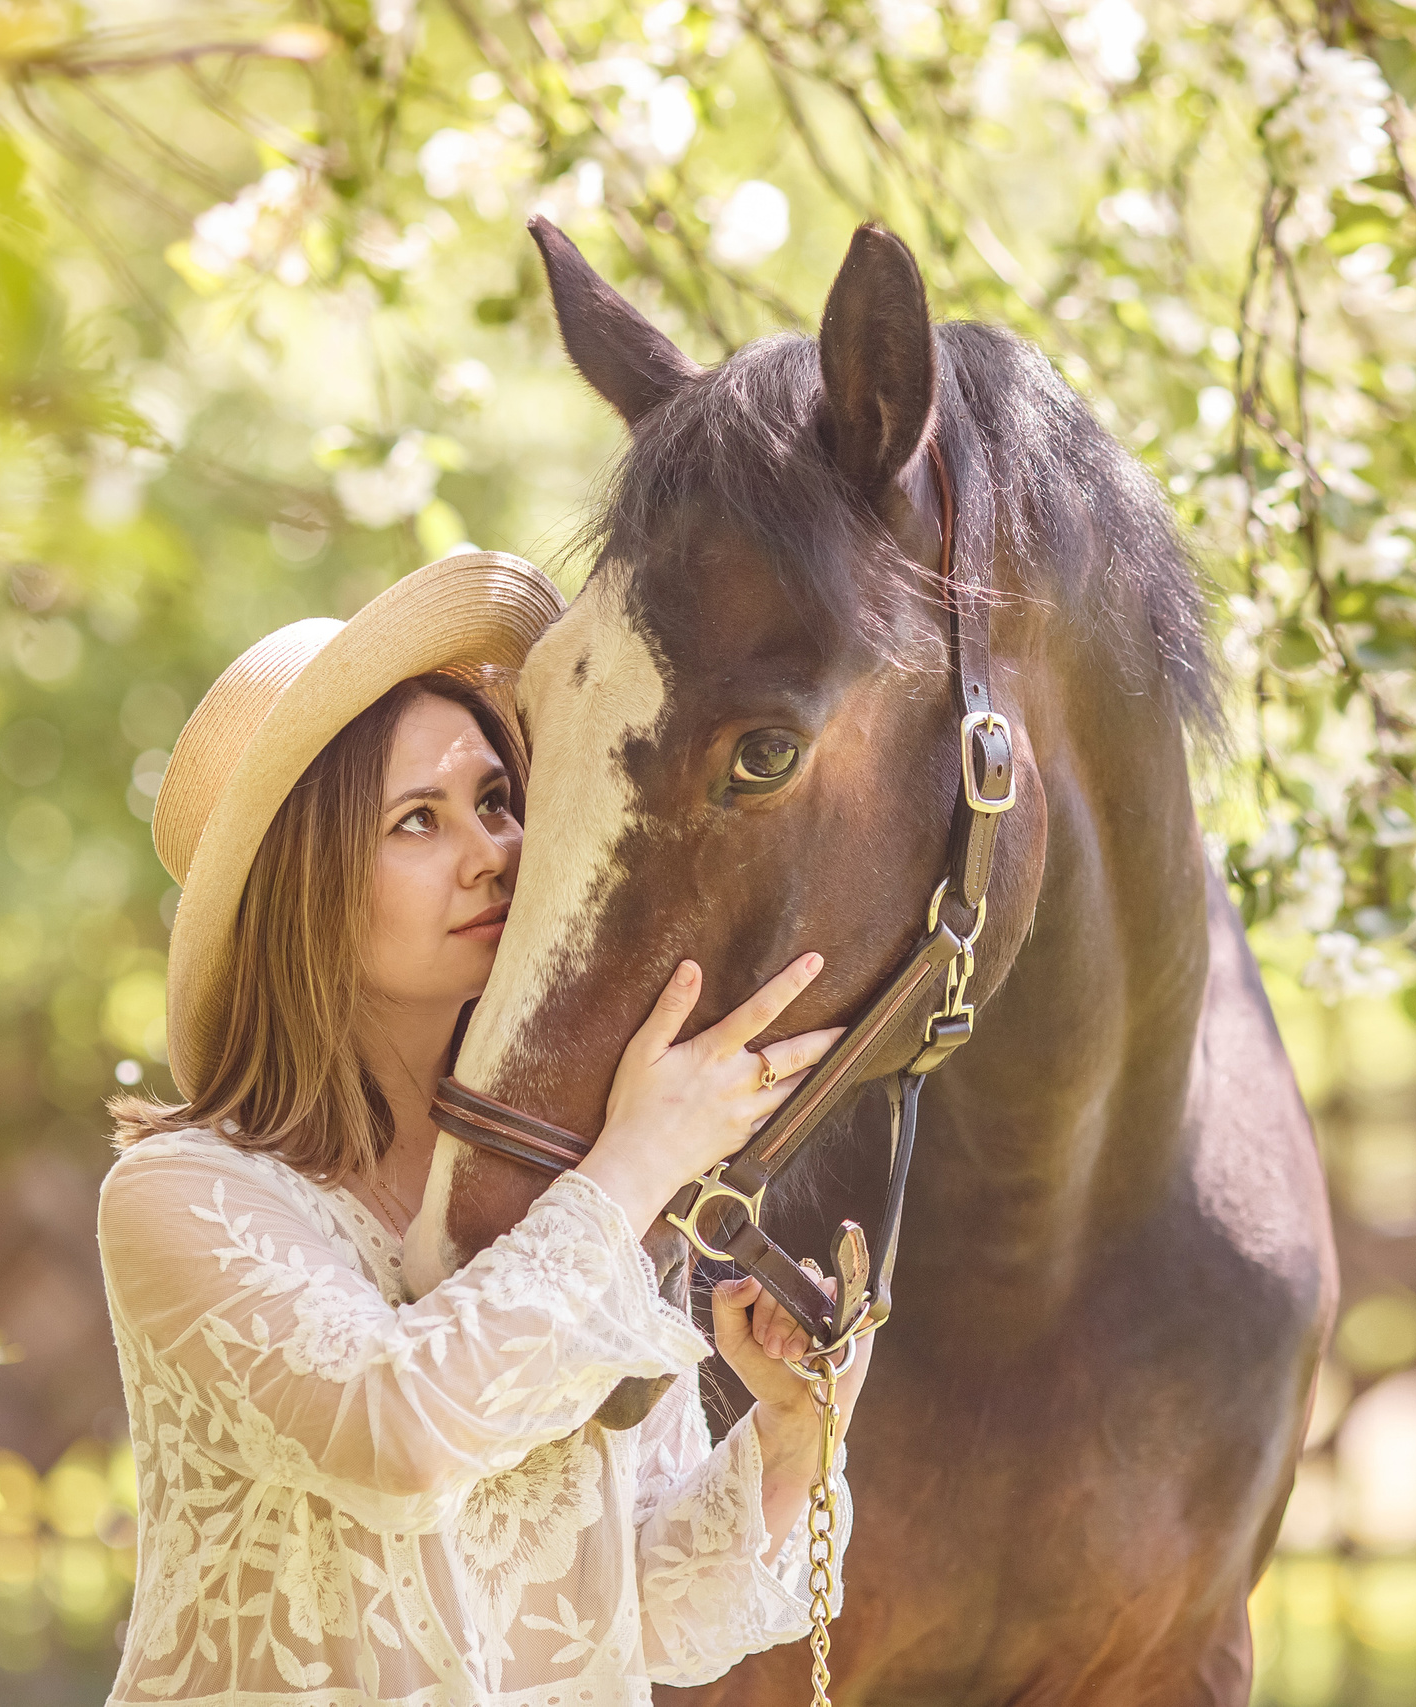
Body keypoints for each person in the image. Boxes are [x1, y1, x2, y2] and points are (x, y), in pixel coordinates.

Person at [97, 551, 877, 1706]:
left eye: (496, 801)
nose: (494, 854)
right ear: (303, 889)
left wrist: (795, 1428)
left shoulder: (561, 1190)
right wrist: (639, 1160)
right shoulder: (184, 1197)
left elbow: (645, 1614)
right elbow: (400, 1436)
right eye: (417, 821)